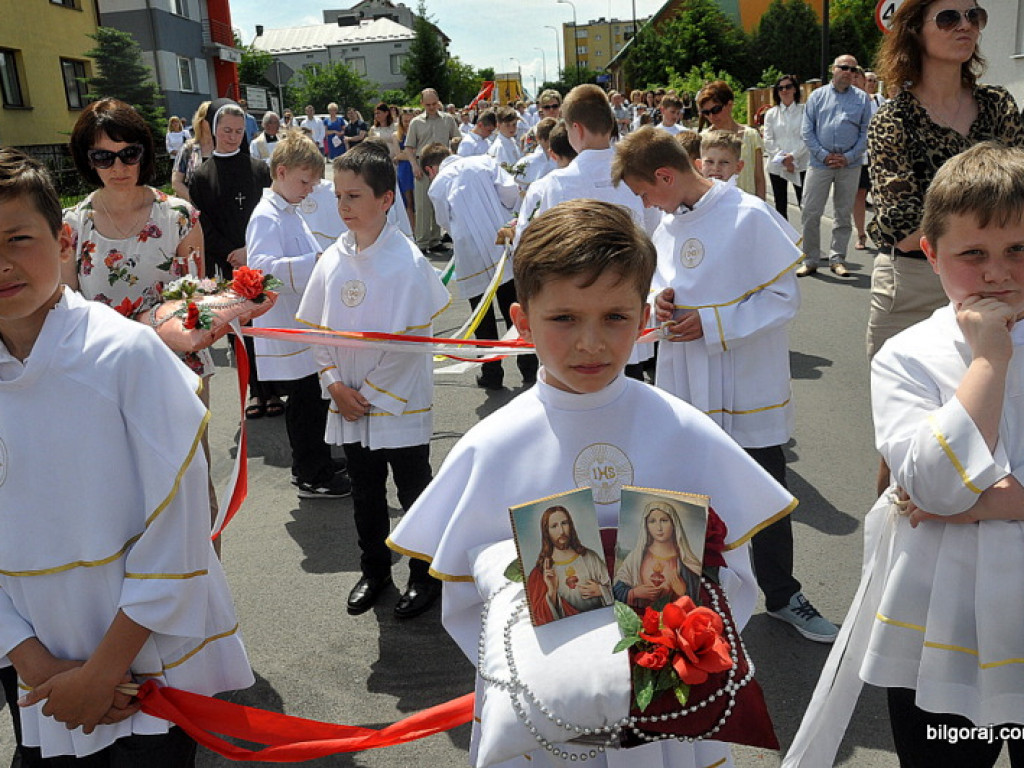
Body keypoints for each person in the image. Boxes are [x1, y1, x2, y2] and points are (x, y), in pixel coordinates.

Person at [387, 199, 798, 768]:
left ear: (644, 318)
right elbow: (469, 604)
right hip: (547, 718)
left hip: (671, 711)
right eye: (564, 318)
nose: (591, 343)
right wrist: (558, 670)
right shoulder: (494, 446)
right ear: (522, 320)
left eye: (614, 317)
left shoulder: (684, 432)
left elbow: (735, 580)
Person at [0, 146, 253, 764]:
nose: (2, 264)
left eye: (17, 238)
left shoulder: (127, 356)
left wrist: (101, 671)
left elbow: (179, 526)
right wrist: (32, 660)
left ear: (63, 240)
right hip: (31, 662)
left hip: (142, 662)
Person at [783, 141, 1024, 768]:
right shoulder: (907, 356)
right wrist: (990, 361)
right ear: (931, 256)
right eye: (974, 254)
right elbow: (936, 489)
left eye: (1018, 250)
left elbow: (946, 501)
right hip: (937, 628)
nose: (999, 273)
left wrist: (979, 507)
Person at [613, 127, 838, 644]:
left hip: (746, 384)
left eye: (645, 191)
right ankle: (686, 604)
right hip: (687, 378)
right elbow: (661, 284)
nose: (646, 203)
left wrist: (712, 326)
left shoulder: (750, 214)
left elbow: (784, 299)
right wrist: (658, 302)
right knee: (684, 490)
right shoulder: (667, 226)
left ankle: (782, 595)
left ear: (666, 175)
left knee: (763, 492)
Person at [295, 141, 450, 620]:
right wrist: (334, 384)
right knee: (364, 493)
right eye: (338, 196)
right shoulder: (333, 256)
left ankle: (425, 576)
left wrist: (366, 393)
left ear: (386, 200)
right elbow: (316, 328)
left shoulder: (405, 260)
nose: (343, 207)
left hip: (396, 400)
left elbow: (411, 343)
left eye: (355, 196)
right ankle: (374, 569)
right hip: (346, 399)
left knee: (413, 491)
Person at [865, 0, 1024, 359]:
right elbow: (902, 229)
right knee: (912, 404)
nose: (965, 25)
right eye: (949, 17)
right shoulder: (893, 119)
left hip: (1003, 277)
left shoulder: (999, 105)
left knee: (1004, 404)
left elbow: (1021, 198)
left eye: (974, 16)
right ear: (914, 31)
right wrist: (992, 233)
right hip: (915, 286)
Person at [244, 130, 352, 500]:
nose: (309, 190)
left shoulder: (287, 210)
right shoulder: (267, 216)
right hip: (288, 324)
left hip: (301, 322)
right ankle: (310, 474)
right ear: (281, 172)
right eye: (305, 181)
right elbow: (260, 268)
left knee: (313, 399)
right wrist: (316, 262)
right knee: (305, 404)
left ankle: (318, 460)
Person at [188, 99, 277, 418]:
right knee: (240, 328)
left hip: (261, 258)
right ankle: (254, 390)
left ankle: (274, 388)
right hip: (227, 264)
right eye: (226, 130)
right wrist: (232, 253)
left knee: (266, 323)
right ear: (213, 130)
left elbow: (271, 213)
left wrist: (250, 250)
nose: (233, 136)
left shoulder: (258, 169)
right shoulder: (200, 176)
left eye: (239, 131)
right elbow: (202, 224)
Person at [420, 142, 521, 390]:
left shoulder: (438, 184)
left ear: (431, 169)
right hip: (501, 240)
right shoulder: (483, 161)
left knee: (483, 315)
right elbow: (510, 191)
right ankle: (529, 367)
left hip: (470, 251)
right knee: (513, 306)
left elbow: (444, 220)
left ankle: (492, 373)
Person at [797, 54, 872, 278]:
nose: (849, 72)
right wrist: (823, 154)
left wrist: (848, 157)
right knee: (810, 212)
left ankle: (837, 259)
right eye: (844, 67)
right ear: (833, 69)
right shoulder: (817, 96)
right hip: (819, 163)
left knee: (842, 214)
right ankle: (810, 259)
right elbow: (806, 130)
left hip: (850, 165)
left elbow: (866, 131)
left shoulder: (862, 98)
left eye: (853, 69)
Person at [526, 505, 613, 625]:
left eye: (564, 523)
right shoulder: (541, 572)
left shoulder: (589, 557)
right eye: (554, 526)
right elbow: (540, 617)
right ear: (546, 532)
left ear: (570, 526)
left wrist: (601, 591)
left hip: (602, 621)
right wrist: (552, 591)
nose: (561, 531)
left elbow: (614, 592)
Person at [613, 500, 702, 610]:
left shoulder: (686, 562)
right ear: (646, 526)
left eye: (664, 521)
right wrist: (635, 593)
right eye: (652, 521)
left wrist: (683, 593)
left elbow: (696, 599)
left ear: (674, 524)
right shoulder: (636, 557)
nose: (659, 528)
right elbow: (616, 590)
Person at [405, 88, 459, 253]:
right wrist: (414, 166)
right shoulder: (416, 122)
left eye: (434, 103)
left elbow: (457, 140)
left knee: (440, 203)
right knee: (422, 206)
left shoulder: (448, 120)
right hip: (423, 167)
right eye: (428, 104)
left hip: (443, 167)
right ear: (422, 104)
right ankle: (422, 242)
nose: (432, 107)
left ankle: (435, 240)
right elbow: (409, 147)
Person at [697, 80, 765, 199]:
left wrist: (761, 206)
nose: (712, 116)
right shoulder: (702, 138)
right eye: (706, 113)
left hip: (747, 204)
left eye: (716, 110)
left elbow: (759, 177)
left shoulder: (751, 136)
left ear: (729, 105)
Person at [763, 73, 808, 220]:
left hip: (800, 163)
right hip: (777, 165)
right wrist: (782, 159)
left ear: (795, 89)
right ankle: (785, 240)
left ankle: (808, 240)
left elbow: (807, 137)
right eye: (780, 88)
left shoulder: (805, 111)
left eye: (788, 87)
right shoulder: (771, 113)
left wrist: (793, 157)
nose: (784, 90)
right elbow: (768, 139)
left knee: (805, 204)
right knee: (780, 205)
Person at [170, 101, 212, 202]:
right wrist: (196, 202)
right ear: (201, 121)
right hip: (194, 209)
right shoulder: (188, 148)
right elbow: (176, 183)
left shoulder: (224, 148)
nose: (214, 122)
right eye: (209, 118)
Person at [395, 109, 416, 231]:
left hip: (416, 168)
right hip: (404, 170)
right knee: (408, 203)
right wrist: (412, 152)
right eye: (405, 121)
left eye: (410, 120)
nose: (408, 123)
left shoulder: (418, 133)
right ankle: (411, 230)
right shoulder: (397, 136)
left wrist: (406, 153)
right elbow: (398, 156)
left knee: (418, 202)